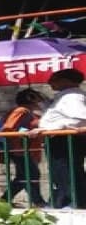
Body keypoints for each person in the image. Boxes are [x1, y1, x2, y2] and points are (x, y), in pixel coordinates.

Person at [39, 69, 86, 208]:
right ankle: (62, 201)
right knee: (59, 173)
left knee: (66, 171)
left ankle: (74, 202)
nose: (49, 83)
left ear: (66, 81)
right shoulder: (64, 97)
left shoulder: (72, 97)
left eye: (53, 80)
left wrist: (52, 128)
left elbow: (78, 119)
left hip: (64, 139)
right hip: (59, 138)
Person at [0, 88, 48, 207]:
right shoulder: (21, 111)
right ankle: (39, 202)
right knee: (32, 175)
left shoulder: (30, 113)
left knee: (23, 177)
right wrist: (25, 134)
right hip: (19, 149)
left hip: (26, 149)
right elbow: (8, 128)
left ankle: (4, 200)